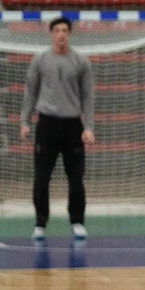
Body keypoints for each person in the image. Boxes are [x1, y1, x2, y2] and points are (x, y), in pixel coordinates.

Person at [20, 16, 96, 240]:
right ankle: (40, 223)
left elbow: (88, 96)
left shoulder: (81, 61)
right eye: (57, 30)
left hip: (73, 125)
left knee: (76, 177)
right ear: (51, 33)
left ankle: (77, 222)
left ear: (70, 34)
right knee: (42, 176)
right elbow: (30, 92)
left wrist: (88, 127)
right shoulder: (40, 60)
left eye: (64, 30)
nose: (61, 34)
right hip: (47, 124)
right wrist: (24, 122)